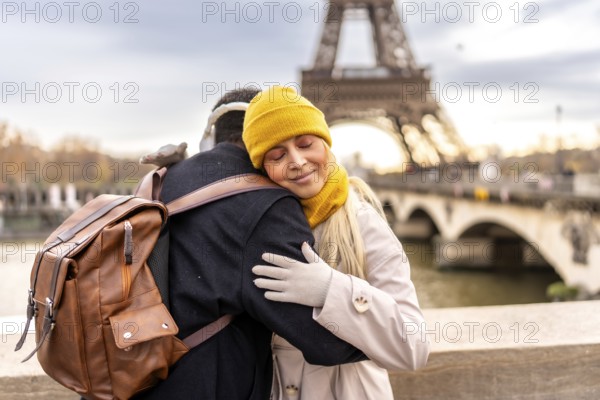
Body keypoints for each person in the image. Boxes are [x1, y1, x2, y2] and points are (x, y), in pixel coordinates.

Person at [134, 88, 365, 400]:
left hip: (131, 378)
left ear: (212, 135)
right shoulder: (267, 206)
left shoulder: (160, 180)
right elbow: (326, 342)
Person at [242, 85, 430, 399]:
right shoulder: (254, 228)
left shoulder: (364, 223)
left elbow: (414, 348)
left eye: (305, 144)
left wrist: (332, 289)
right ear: (262, 167)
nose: (298, 161)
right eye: (277, 154)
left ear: (326, 145)